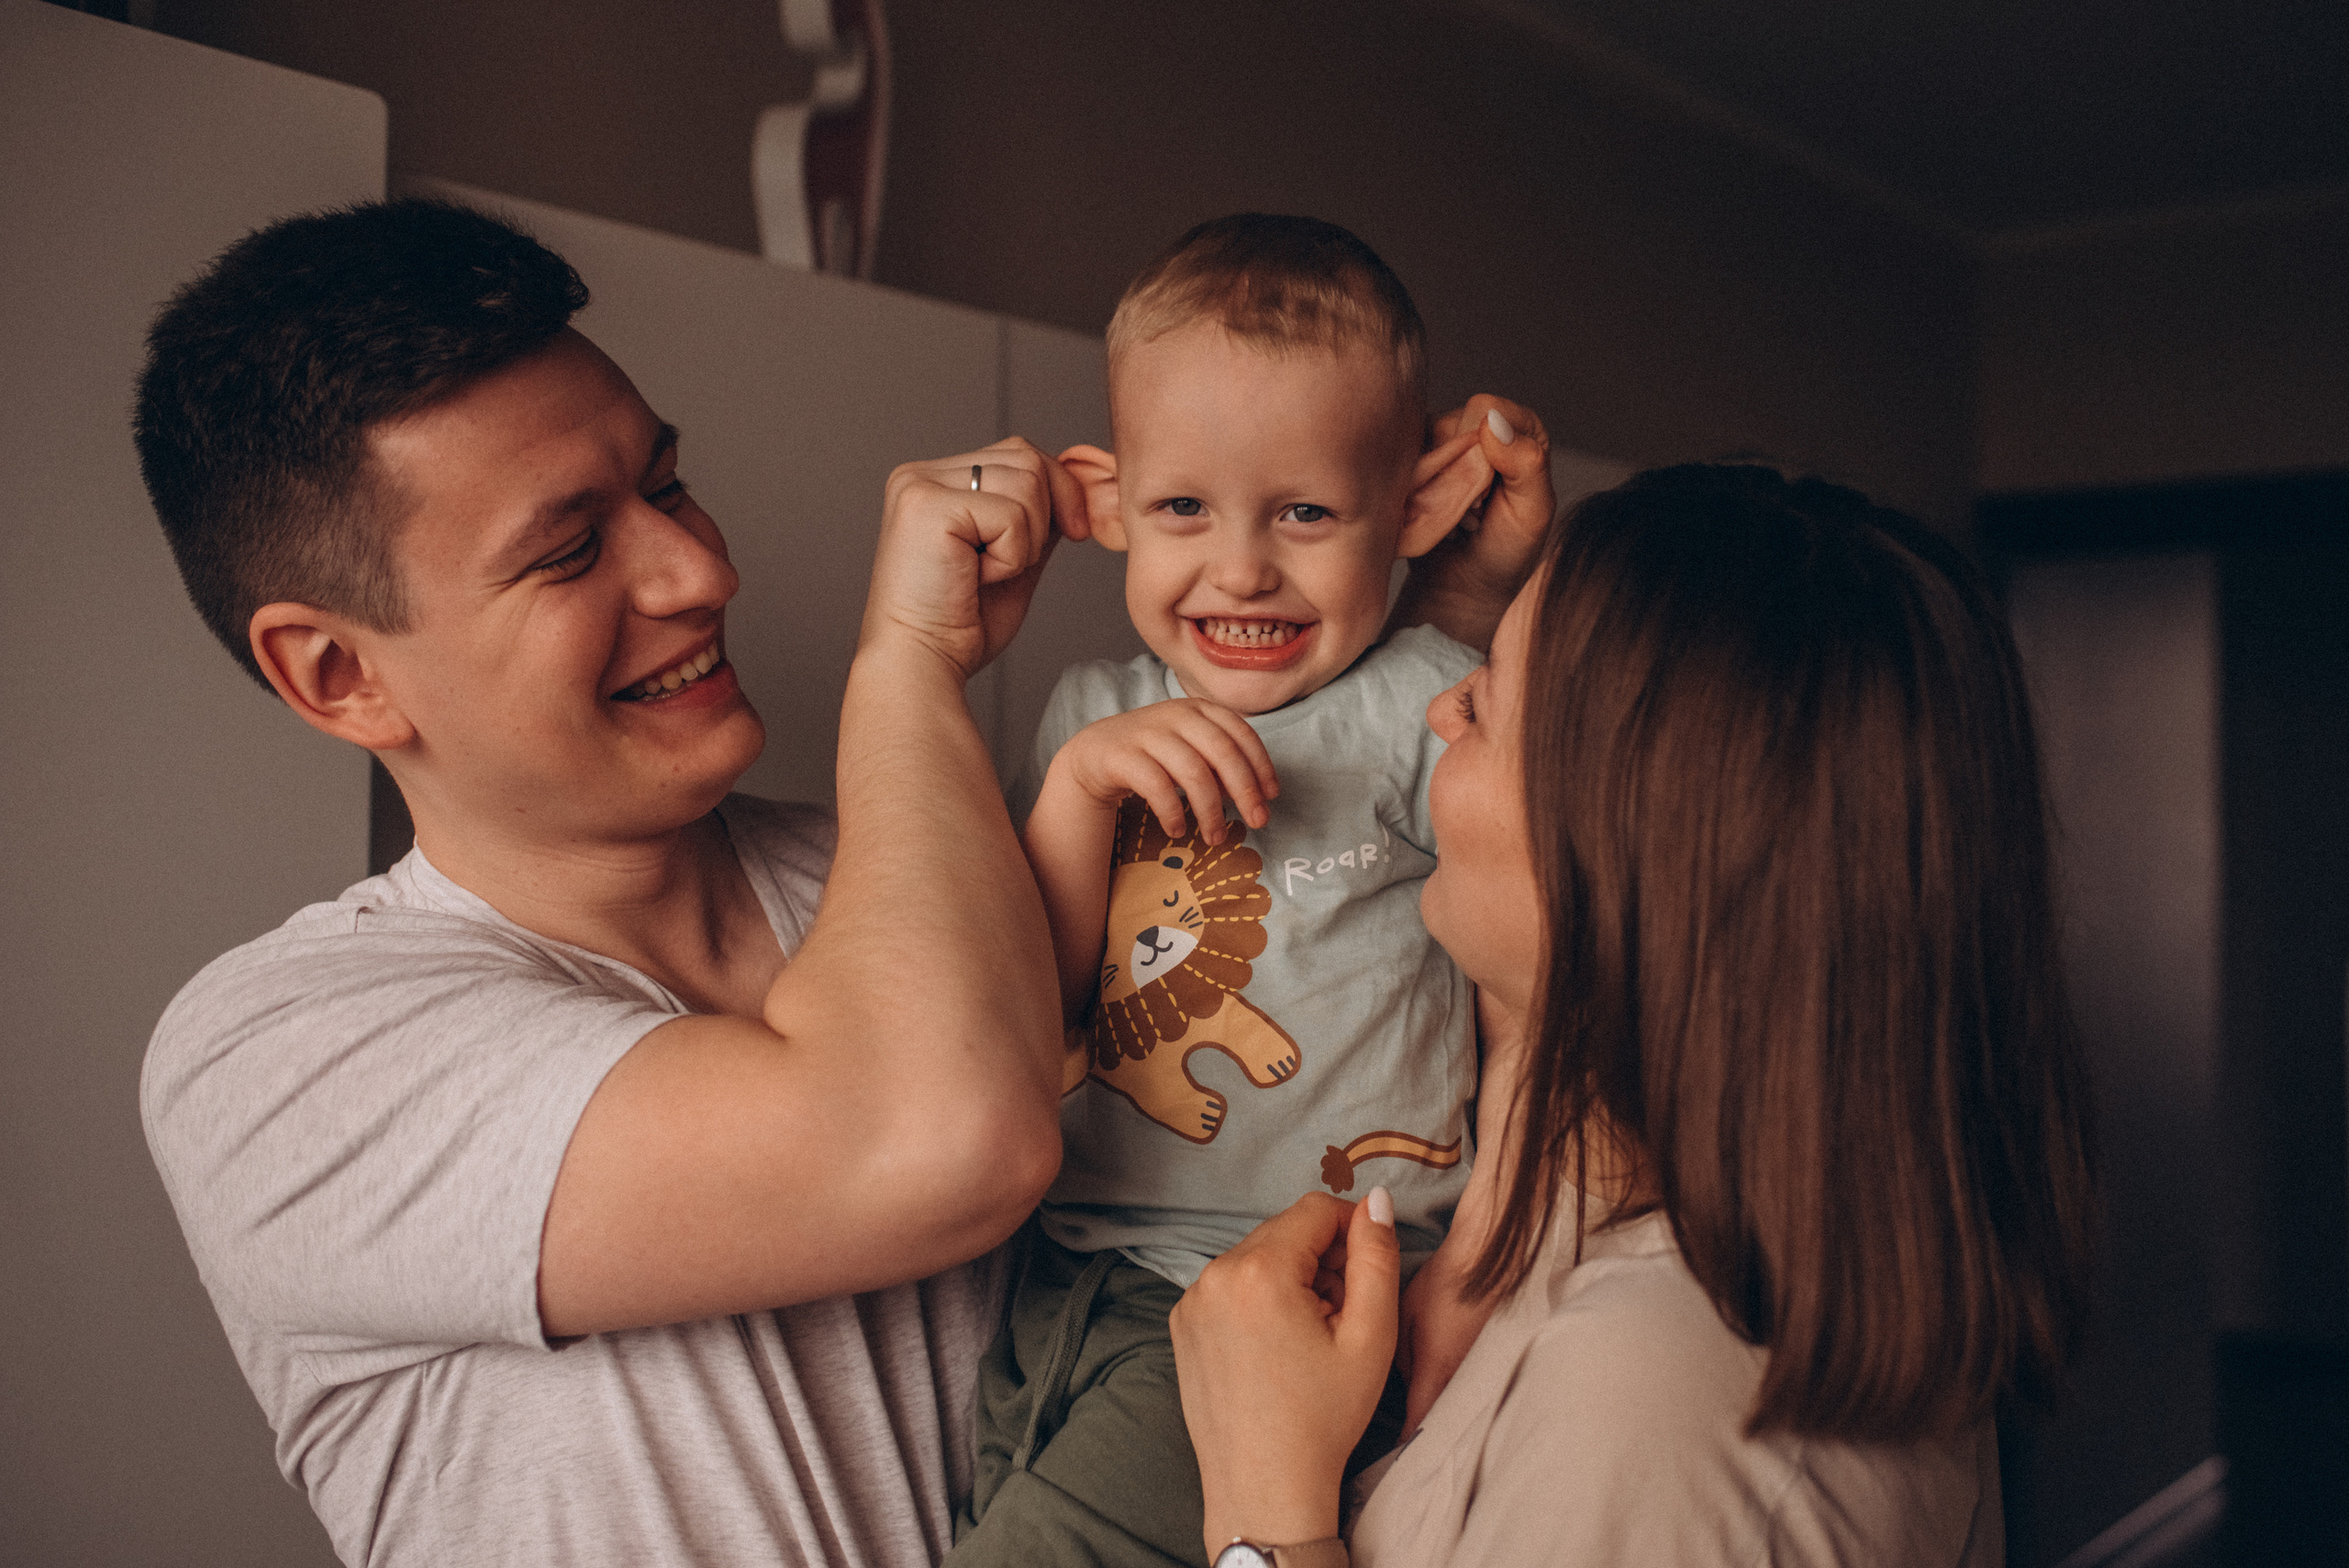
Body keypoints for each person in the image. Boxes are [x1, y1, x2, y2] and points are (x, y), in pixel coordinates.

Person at [132, 199, 1533, 1568]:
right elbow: (939, 1133)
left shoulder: (913, 869)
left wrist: (1433, 623)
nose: (698, 567)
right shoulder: (280, 1050)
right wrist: (911, 659)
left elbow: (1378, 919)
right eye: (569, 550)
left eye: (668, 483)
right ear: (340, 672)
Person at [1169, 464, 2098, 1566]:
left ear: (1625, 853)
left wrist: (1261, 1515)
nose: (1437, 709)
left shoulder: (1664, 1396)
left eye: (1487, 699)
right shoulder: (1585, 1199)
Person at [952, 216, 1552, 1567]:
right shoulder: (1087, 717)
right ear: (1103, 504)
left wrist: (1484, 1252)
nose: (1240, 569)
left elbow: (1533, 984)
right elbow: (1021, 1016)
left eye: (1305, 512)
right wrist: (1072, 801)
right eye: (1184, 509)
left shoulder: (1422, 710)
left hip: (1296, 1292)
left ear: (1411, 507)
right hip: (1066, 1283)